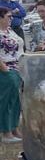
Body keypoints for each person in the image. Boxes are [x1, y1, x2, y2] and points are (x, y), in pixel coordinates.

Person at [0, 8, 22, 143]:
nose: (11, 19)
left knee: (16, 101)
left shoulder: (10, 31)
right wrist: (4, 69)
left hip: (17, 67)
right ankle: (6, 132)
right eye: (8, 16)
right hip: (6, 68)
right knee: (6, 101)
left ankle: (14, 128)